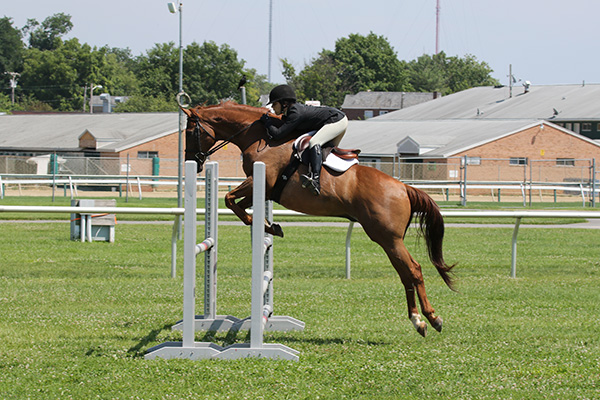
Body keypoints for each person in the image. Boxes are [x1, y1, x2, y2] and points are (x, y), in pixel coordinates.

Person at [259, 84, 348, 195]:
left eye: (275, 104)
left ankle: (315, 180)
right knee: (323, 154)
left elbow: (278, 135)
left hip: (336, 120)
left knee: (314, 142)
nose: (272, 107)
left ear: (284, 103)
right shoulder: (292, 111)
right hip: (333, 120)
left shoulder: (295, 113)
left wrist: (267, 123)